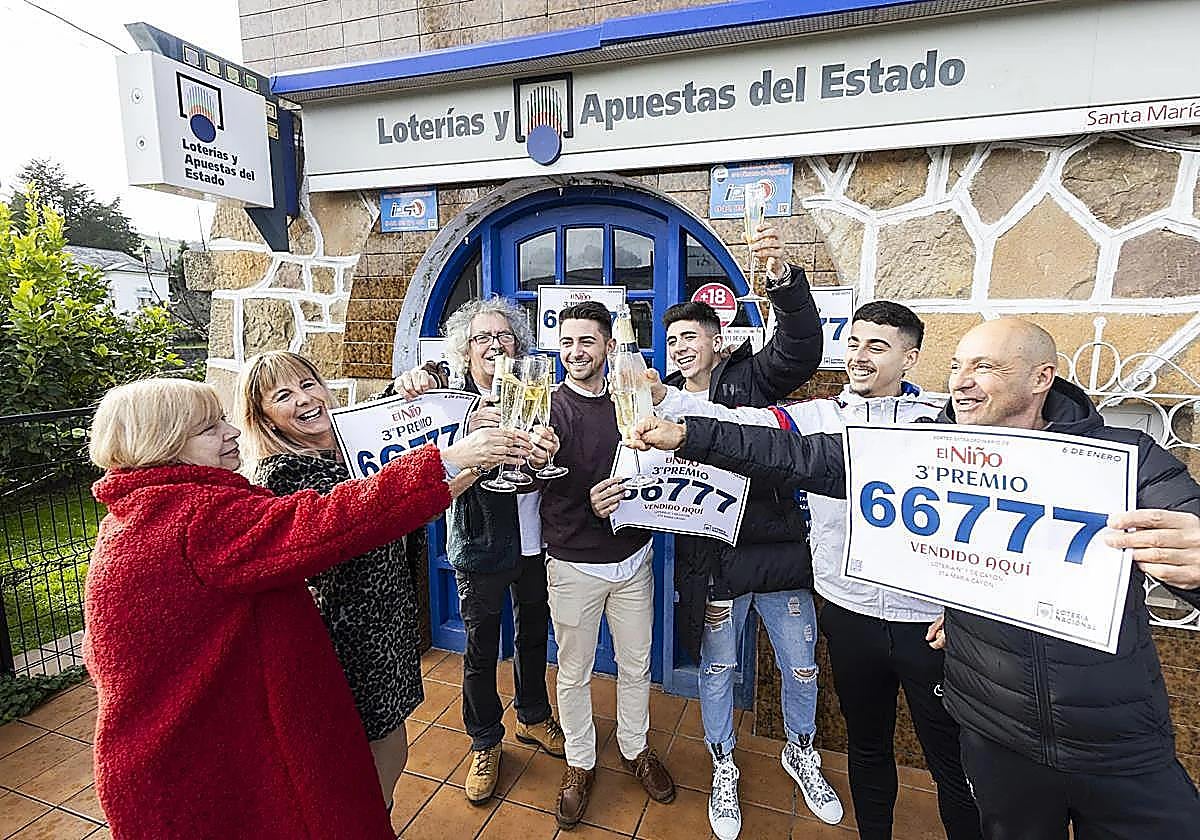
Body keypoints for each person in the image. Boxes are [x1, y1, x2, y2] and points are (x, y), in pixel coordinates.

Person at [634, 317, 1200, 840]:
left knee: (951, 779)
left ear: (1041, 378)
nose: (964, 382)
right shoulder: (918, 451)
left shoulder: (1121, 460)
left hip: (1117, 742)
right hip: (994, 725)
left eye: (986, 367)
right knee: (883, 750)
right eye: (957, 367)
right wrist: (686, 433)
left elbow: (1185, 532)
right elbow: (788, 451)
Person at [83, 378, 515, 839]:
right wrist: (449, 458)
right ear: (163, 445)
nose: (231, 433)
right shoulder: (197, 519)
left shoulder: (151, 510)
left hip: (202, 745)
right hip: (208, 758)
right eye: (211, 427)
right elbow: (329, 519)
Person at [651, 301, 979, 840]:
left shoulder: (942, 422)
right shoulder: (817, 416)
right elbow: (744, 426)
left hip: (924, 618)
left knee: (950, 759)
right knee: (866, 743)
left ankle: (803, 756)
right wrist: (676, 409)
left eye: (877, 346)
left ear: (911, 357)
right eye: (853, 343)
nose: (859, 356)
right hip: (845, 606)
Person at [237, 350, 517, 809]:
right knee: (372, 759)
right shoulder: (281, 474)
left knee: (390, 747)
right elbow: (362, 515)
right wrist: (453, 457)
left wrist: (475, 464)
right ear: (263, 416)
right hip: (345, 637)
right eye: (283, 396)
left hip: (385, 621)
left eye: (309, 384)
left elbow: (405, 503)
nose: (305, 400)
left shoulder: (346, 445)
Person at [657, 227, 838, 837]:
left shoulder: (750, 381)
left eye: (691, 337)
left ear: (718, 341)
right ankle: (723, 764)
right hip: (712, 567)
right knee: (716, 670)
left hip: (780, 555)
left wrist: (784, 284)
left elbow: (799, 351)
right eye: (672, 339)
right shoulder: (656, 404)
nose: (680, 347)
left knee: (801, 666)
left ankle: (801, 749)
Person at [392, 296, 566, 805]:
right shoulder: (449, 400)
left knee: (534, 636)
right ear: (465, 351)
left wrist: (552, 450)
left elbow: (561, 455)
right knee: (481, 648)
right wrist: (408, 383)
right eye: (483, 338)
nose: (494, 344)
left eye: (504, 337)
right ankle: (485, 740)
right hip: (480, 545)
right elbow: (394, 421)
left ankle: (533, 716)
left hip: (536, 543)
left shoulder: (538, 392)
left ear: (519, 346)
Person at [545, 300, 675, 830]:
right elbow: (529, 483)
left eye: (586, 341)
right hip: (574, 563)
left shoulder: (635, 398)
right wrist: (581, 498)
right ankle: (580, 762)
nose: (576, 352)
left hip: (633, 558)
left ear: (607, 345)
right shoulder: (546, 407)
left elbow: (663, 465)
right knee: (574, 671)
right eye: (568, 341)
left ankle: (634, 746)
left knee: (635, 664)